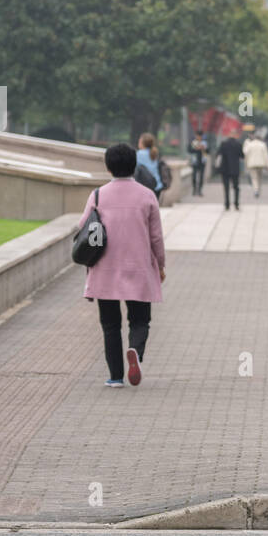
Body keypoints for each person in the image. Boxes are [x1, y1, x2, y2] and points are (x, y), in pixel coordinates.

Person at [78, 142, 166, 387]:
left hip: (105, 269)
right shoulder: (147, 195)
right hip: (138, 267)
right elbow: (156, 237)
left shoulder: (97, 195)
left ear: (108, 167)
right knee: (140, 321)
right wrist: (160, 265)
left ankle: (115, 377)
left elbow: (83, 227)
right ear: (134, 165)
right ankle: (135, 351)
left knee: (110, 324)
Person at [217, 126, 244, 210]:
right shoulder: (238, 144)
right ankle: (236, 204)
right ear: (235, 135)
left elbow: (218, 154)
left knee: (226, 188)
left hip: (224, 169)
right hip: (235, 169)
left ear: (229, 135)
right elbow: (242, 156)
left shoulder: (223, 144)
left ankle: (227, 204)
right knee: (236, 187)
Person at [136, 133, 163, 199]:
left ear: (142, 143)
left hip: (145, 186)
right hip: (157, 185)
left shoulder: (139, 154)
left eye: (139, 141)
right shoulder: (154, 153)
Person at [243, 131, 268, 197]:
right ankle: (259, 189)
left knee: (254, 178)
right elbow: (266, 155)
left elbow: (246, 154)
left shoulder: (250, 145)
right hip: (261, 164)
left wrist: (246, 163)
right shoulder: (263, 144)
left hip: (252, 163)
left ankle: (256, 190)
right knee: (259, 177)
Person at [190, 131, 208, 196]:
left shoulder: (205, 143)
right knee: (194, 177)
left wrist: (203, 148)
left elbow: (208, 151)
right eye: (197, 136)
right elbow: (189, 150)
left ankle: (200, 190)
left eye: (200, 136)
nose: (199, 137)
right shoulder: (193, 142)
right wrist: (196, 148)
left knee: (201, 177)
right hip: (195, 162)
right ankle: (194, 189)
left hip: (202, 162)